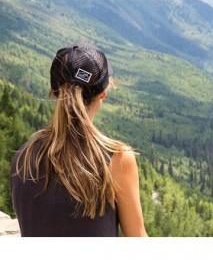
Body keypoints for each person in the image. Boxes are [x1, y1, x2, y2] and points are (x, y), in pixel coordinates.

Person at [10, 43, 148, 237]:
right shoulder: (117, 159)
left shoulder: (24, 156)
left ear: (55, 92)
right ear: (103, 93)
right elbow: (137, 239)